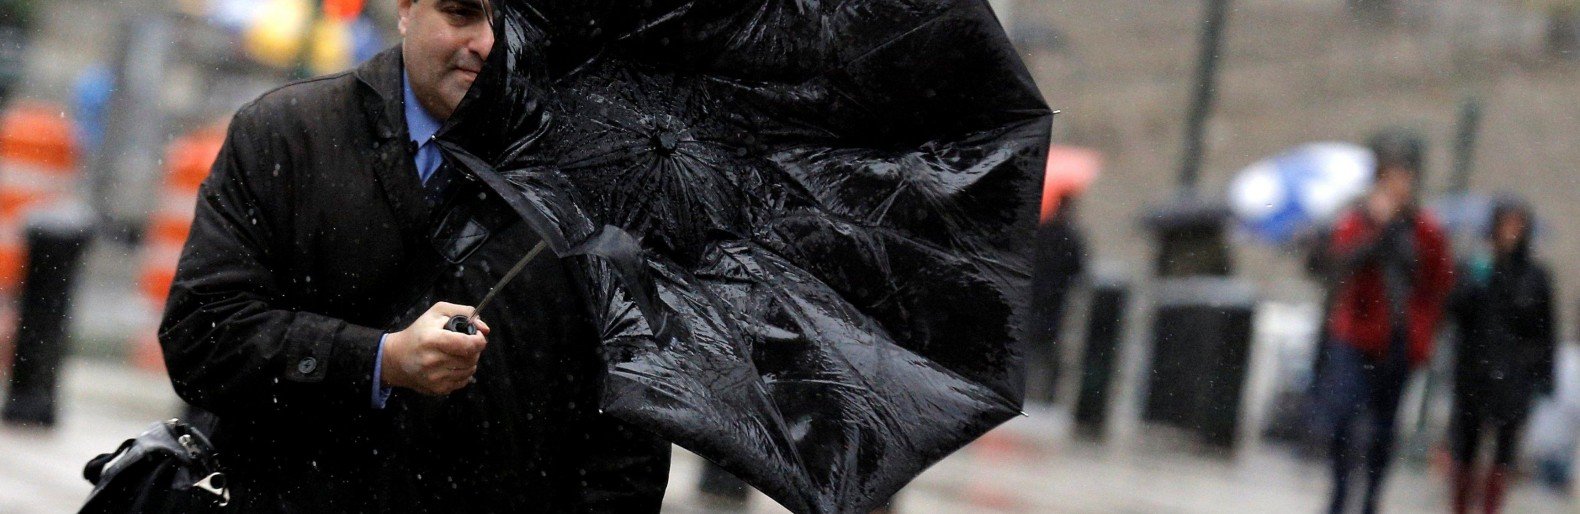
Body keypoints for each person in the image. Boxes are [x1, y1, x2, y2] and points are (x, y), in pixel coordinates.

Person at [158, 0, 669, 511]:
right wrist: (381, 360)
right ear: (406, 9)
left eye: (518, 24)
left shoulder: (601, 190)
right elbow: (201, 338)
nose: (489, 45)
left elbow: (629, 442)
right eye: (461, 13)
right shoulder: (287, 135)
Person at [1318, 129, 1454, 514]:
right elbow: (1340, 263)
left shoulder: (1424, 228)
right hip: (1355, 334)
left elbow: (1438, 280)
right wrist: (1377, 231)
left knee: (1383, 426)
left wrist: (1424, 331)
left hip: (1398, 338)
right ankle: (1339, 495)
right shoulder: (1357, 219)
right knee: (1343, 417)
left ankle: (1371, 498)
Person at [1446, 197, 1556, 514]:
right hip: (1473, 371)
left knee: (1504, 450)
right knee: (1466, 445)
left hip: (1514, 375)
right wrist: (1477, 278)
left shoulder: (1535, 276)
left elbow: (1544, 329)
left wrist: (1543, 375)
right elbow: (1455, 310)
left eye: (1517, 225)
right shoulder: (1476, 267)